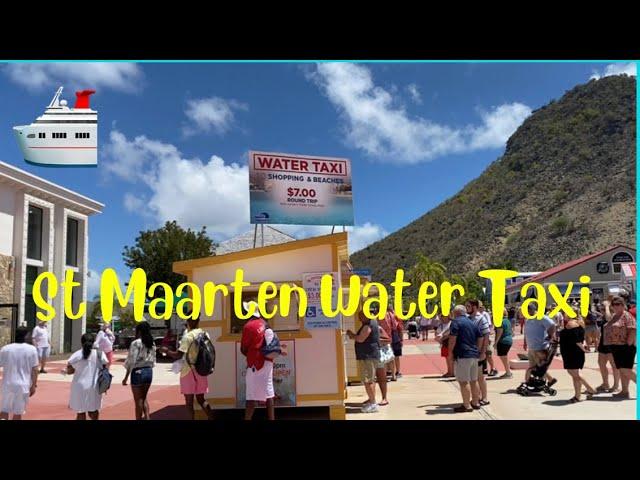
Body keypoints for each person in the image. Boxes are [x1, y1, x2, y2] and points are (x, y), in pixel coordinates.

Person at [163, 316, 214, 420]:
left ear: (188, 321)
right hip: (201, 370)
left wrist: (166, 351)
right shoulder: (205, 334)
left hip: (188, 371)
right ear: (199, 321)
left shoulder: (188, 337)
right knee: (201, 399)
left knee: (189, 403)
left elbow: (178, 355)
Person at [240, 301, 278, 420]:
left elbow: (243, 348)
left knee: (251, 396)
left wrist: (249, 353)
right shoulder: (265, 324)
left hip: (255, 363)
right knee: (269, 393)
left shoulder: (248, 326)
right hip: (267, 363)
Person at [448, 305, 482, 412]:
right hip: (473, 354)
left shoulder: (456, 322)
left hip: (463, 354)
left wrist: (450, 352)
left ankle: (466, 405)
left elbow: (453, 338)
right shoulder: (472, 322)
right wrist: (478, 349)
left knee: (463, 381)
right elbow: (480, 337)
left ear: (456, 313)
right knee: (473, 380)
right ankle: (475, 402)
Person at [66, 333, 108, 419]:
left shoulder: (77, 355)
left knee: (81, 411)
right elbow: (105, 366)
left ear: (81, 342)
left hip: (79, 386)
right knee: (93, 411)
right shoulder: (100, 354)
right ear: (93, 342)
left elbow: (69, 370)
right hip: (95, 386)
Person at [0, 327, 39, 420]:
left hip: (7, 384)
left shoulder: (6, 348)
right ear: (26, 336)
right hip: (23, 385)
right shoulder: (32, 349)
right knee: (18, 412)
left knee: (4, 410)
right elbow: (35, 369)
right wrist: (34, 385)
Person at [603, 297, 637, 399]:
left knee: (625, 370)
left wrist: (628, 344)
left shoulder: (626, 315)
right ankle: (625, 391)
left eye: (619, 304)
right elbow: (607, 319)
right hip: (616, 347)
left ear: (623, 305)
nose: (616, 306)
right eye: (614, 304)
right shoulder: (614, 316)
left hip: (626, 347)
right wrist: (607, 307)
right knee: (623, 371)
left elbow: (633, 329)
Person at [347, 310, 380, 413]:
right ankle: (371, 400)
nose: (359, 318)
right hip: (370, 355)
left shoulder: (368, 325)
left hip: (367, 356)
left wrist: (352, 335)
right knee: (371, 380)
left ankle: (373, 403)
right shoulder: (372, 322)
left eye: (361, 316)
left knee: (368, 380)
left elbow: (361, 339)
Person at [559, 309, 596, 403]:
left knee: (575, 374)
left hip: (572, 352)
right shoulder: (579, 322)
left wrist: (583, 349)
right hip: (573, 352)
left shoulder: (571, 324)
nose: (564, 314)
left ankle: (590, 389)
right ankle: (577, 396)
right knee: (574, 374)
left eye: (565, 312)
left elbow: (576, 340)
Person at [122, 321, 156, 420]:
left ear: (139, 331)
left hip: (138, 372)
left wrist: (126, 377)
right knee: (144, 398)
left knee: (138, 401)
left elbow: (131, 361)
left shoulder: (136, 343)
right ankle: (148, 417)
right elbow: (154, 360)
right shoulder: (152, 343)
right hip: (149, 371)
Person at [523, 303, 557, 387]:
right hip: (531, 347)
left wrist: (550, 336)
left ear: (533, 309)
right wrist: (525, 342)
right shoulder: (528, 318)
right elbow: (526, 331)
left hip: (540, 346)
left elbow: (552, 325)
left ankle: (543, 380)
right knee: (534, 367)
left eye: (528, 310)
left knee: (539, 367)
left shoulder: (541, 317)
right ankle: (547, 380)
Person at [466, 299, 490, 406]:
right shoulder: (469, 318)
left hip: (479, 352)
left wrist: (483, 352)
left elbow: (486, 335)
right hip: (472, 352)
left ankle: (484, 398)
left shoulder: (481, 319)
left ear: (475, 307)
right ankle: (477, 396)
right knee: (473, 377)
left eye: (468, 306)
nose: (467, 308)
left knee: (480, 377)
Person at [595, 303, 620, 393]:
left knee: (614, 365)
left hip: (612, 343)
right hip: (603, 343)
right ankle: (605, 383)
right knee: (601, 363)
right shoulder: (603, 316)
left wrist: (606, 306)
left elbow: (609, 319)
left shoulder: (614, 316)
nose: (601, 307)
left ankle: (616, 385)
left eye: (603, 307)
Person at [379, 306, 398, 381]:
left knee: (382, 358)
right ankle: (393, 375)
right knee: (390, 357)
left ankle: (385, 375)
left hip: (380, 338)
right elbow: (394, 326)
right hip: (388, 337)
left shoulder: (377, 316)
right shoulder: (391, 315)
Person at [479, 302, 498, 376]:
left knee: (488, 354)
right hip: (479, 337)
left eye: (481, 307)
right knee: (482, 354)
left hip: (485, 337)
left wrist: (488, 336)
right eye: (479, 307)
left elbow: (489, 326)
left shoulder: (485, 314)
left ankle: (493, 368)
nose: (481, 308)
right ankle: (484, 369)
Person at [494, 308, 513, 378]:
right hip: (509, 340)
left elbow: (499, 332)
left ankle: (508, 373)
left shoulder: (500, 321)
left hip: (503, 341)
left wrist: (496, 343)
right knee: (504, 357)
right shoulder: (507, 321)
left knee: (503, 357)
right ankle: (508, 372)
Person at [435, 312, 453, 377]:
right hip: (444, 343)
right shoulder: (441, 325)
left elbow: (452, 333)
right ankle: (449, 371)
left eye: (445, 315)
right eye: (442, 316)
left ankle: (452, 372)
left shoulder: (452, 323)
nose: (443, 317)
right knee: (447, 358)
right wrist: (438, 339)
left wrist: (443, 337)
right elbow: (437, 333)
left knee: (451, 358)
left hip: (451, 342)